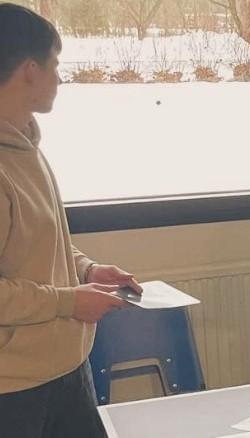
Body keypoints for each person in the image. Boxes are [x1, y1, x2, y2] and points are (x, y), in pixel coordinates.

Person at [0, 4, 143, 437]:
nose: (59, 78)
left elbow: (38, 243)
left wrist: (85, 269)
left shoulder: (26, 144)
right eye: (56, 64)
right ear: (30, 70)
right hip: (13, 390)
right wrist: (68, 301)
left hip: (66, 370)